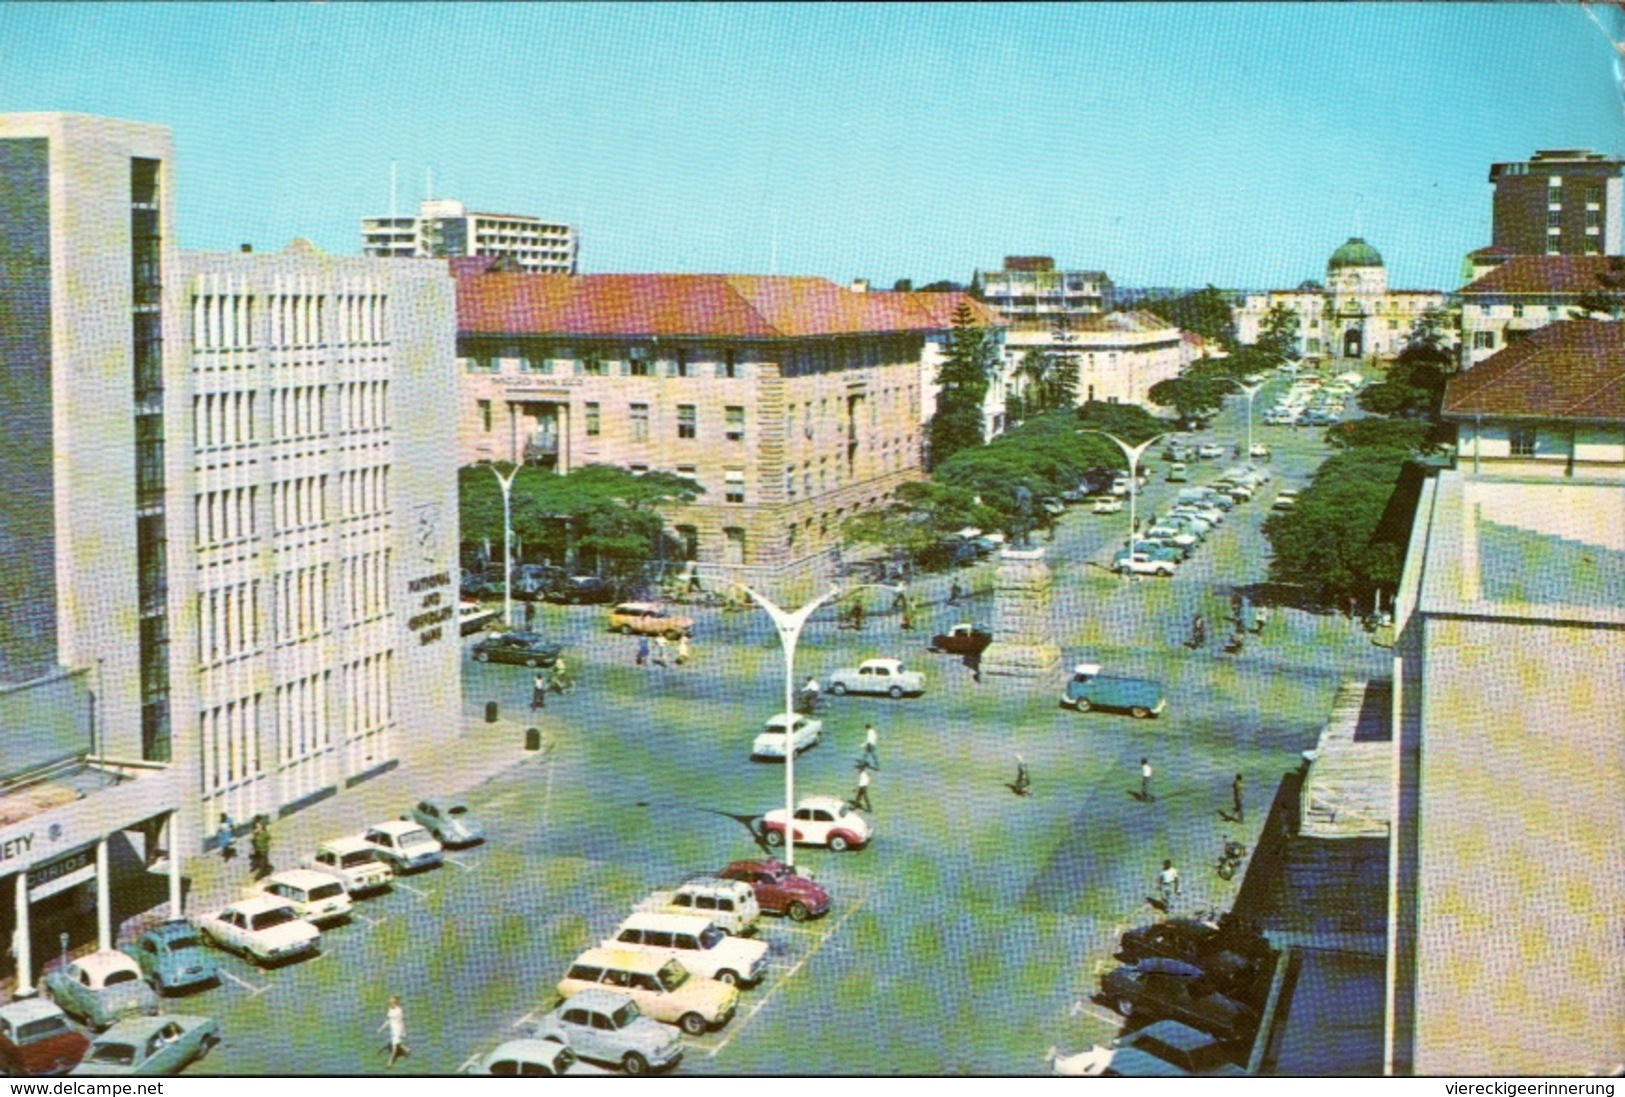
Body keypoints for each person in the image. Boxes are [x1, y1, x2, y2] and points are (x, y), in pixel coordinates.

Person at [380, 995, 409, 1067]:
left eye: (392, 1002)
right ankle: (406, 1049)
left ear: (396, 1003)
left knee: (394, 1046)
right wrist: (382, 1028)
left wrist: (404, 1032)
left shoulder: (399, 1011)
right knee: (396, 1043)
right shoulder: (390, 1009)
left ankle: (390, 1061)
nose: (391, 1004)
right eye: (390, 1002)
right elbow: (388, 1020)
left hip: (397, 1030)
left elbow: (402, 1021)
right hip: (392, 1030)